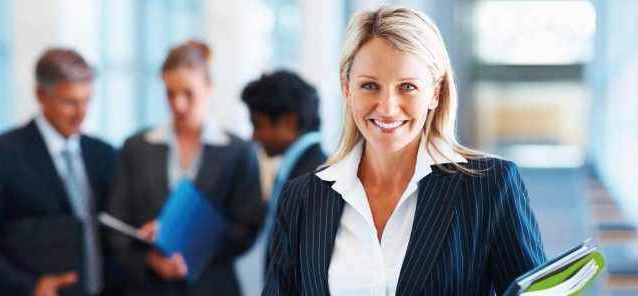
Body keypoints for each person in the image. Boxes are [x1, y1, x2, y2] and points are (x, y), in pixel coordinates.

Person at [262, 6, 547, 296]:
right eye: (370, 85)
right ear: (347, 89)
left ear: (435, 93)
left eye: (407, 87)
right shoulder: (301, 198)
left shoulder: (489, 186)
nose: (387, 107)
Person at [0, 48, 120, 296]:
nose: (81, 113)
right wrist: (28, 287)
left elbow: (112, 229)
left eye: (87, 99)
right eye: (70, 102)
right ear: (41, 95)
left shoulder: (103, 154)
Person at [106, 40, 265, 296]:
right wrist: (149, 259)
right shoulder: (136, 146)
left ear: (210, 89)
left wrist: (193, 245)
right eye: (170, 93)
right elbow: (117, 220)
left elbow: (247, 228)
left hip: (212, 286)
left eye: (188, 93)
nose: (178, 104)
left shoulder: (238, 152)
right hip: (149, 287)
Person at [241, 70, 326, 263]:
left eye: (258, 125)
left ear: (289, 122)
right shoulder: (297, 170)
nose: (253, 137)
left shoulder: (316, 178)